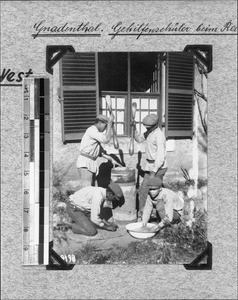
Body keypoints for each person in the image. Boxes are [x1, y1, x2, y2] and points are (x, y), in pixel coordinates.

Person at [132, 114, 167, 216]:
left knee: (153, 192)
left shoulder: (159, 136)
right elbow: (139, 139)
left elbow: (160, 157)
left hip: (158, 167)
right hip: (150, 166)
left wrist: (153, 172)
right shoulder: (149, 132)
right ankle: (144, 213)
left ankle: (159, 215)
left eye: (148, 127)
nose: (146, 128)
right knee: (144, 191)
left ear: (155, 125)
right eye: (145, 127)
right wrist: (134, 127)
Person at [77, 114, 114, 187]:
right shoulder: (92, 130)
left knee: (92, 190)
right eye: (105, 126)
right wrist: (109, 124)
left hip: (91, 164)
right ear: (100, 123)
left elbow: (100, 151)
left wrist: (110, 158)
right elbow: (105, 139)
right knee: (87, 190)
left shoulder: (95, 134)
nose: (106, 128)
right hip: (85, 164)